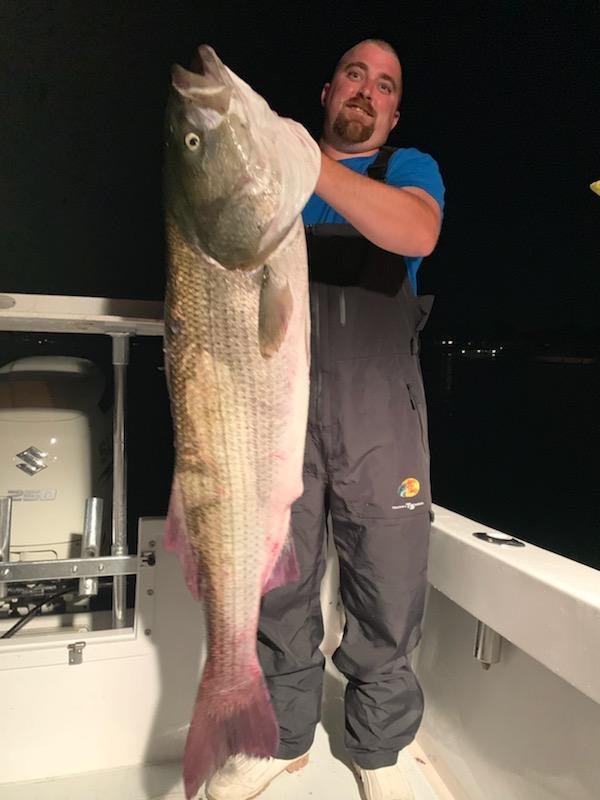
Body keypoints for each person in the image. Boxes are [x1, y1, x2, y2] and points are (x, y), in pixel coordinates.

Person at [206, 38, 445, 800]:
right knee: (280, 576)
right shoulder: (273, 184)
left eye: (384, 84)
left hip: (379, 411)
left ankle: (379, 749)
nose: (366, 91)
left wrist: (313, 163)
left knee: (388, 579)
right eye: (354, 74)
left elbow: (416, 233)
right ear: (326, 90)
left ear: (394, 110)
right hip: (279, 407)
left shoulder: (407, 171)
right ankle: (282, 738)